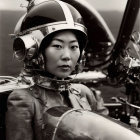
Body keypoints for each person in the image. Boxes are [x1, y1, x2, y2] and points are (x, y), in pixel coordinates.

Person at [6, 0, 108, 140]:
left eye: (73, 47)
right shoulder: (24, 99)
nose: (67, 56)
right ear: (35, 52)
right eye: (58, 46)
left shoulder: (85, 93)